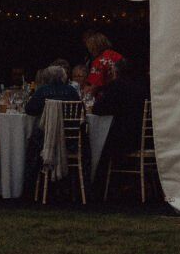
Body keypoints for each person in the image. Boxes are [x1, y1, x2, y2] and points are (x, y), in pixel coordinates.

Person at [89, 55, 149, 199]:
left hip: (122, 139)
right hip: (142, 137)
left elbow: (99, 109)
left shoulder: (116, 86)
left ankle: (97, 186)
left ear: (116, 72)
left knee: (93, 142)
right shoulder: (143, 86)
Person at [23, 61, 81, 160]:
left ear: (46, 77)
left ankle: (34, 167)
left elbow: (29, 109)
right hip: (70, 138)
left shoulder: (42, 90)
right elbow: (80, 110)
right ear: (63, 77)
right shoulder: (72, 91)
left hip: (45, 137)